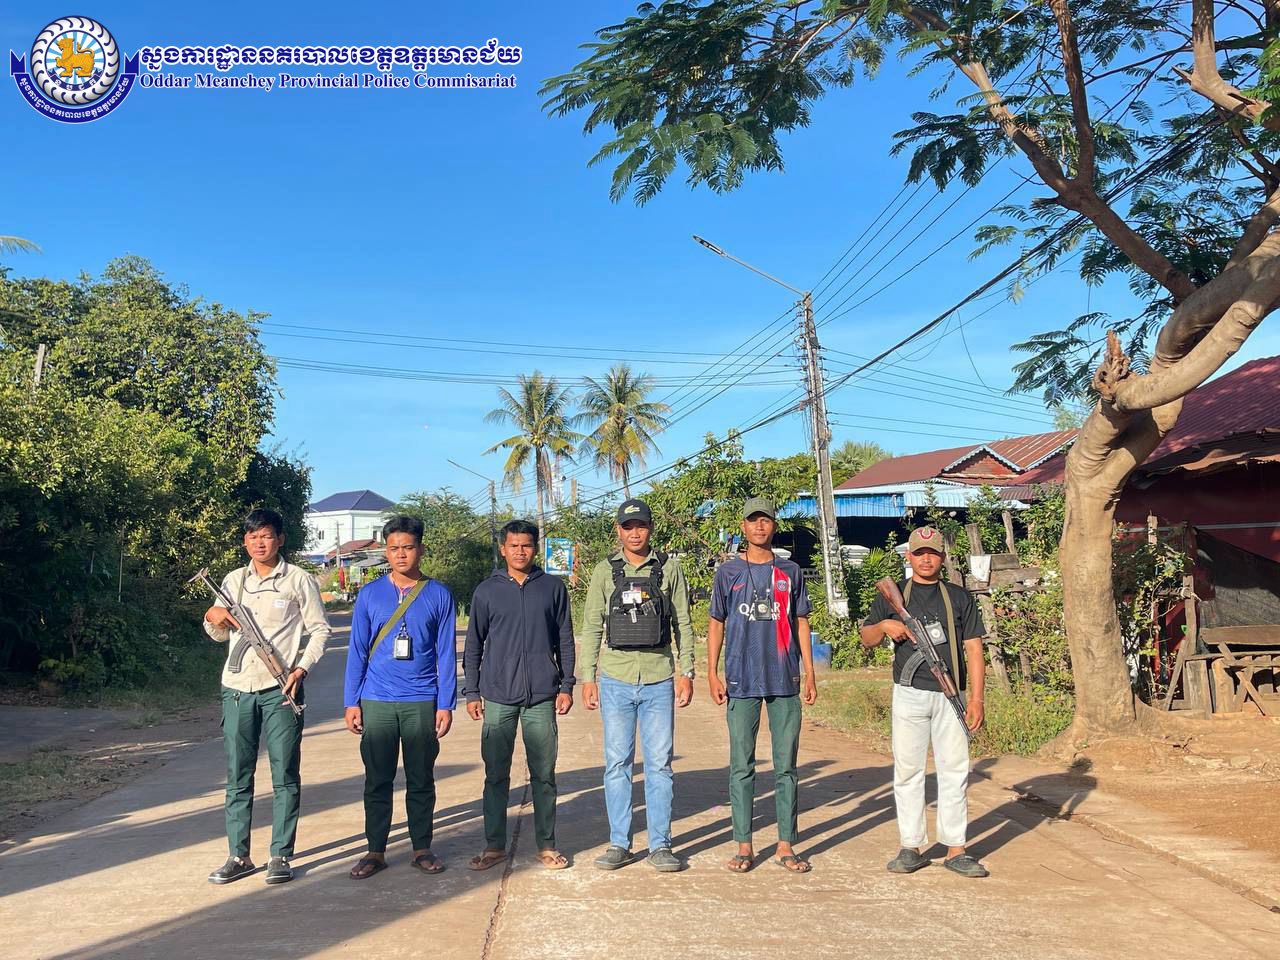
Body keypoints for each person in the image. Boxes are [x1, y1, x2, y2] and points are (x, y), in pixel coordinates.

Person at [202, 508, 331, 885]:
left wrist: (300, 669)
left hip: (281, 689)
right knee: (237, 775)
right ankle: (238, 855)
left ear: (280, 539)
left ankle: (280, 854)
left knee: (284, 773)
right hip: (237, 689)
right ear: (245, 542)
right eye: (253, 536)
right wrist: (211, 618)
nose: (260, 543)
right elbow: (221, 634)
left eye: (267, 535)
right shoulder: (233, 580)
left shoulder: (298, 580)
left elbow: (320, 630)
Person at [859, 525, 989, 878]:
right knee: (908, 771)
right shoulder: (894, 595)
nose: (926, 559)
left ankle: (956, 848)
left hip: (951, 695)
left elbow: (974, 649)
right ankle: (910, 846)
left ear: (942, 557)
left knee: (955, 771)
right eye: (919, 553)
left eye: (932, 553)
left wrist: (976, 698)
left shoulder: (958, 597)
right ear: (909, 556)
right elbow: (866, 637)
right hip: (909, 693)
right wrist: (885, 626)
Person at [579, 498, 695, 872]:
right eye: (628, 527)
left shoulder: (669, 569)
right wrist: (588, 677)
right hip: (616, 678)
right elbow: (592, 626)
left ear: (650, 528)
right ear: (618, 530)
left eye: (641, 525)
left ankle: (660, 845)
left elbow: (683, 622)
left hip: (659, 678)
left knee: (660, 765)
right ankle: (619, 843)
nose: (635, 533)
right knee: (617, 764)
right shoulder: (604, 571)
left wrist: (687, 672)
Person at [707, 497, 818, 874]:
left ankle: (786, 844)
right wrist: (712, 672)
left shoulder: (790, 571)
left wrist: (809, 672)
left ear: (774, 525)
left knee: (786, 766)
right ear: (743, 526)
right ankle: (744, 845)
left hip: (784, 678)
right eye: (753, 521)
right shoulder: (728, 572)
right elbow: (717, 622)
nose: (759, 526)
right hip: (741, 679)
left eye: (765, 520)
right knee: (742, 765)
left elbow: (800, 621)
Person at [343, 515, 458, 880]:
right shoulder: (370, 595)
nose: (401, 555)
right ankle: (375, 851)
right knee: (377, 779)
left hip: (421, 700)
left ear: (421, 549)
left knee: (421, 778)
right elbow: (357, 650)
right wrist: (351, 701)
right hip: (376, 700)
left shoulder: (438, 595)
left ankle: (422, 848)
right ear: (385, 551)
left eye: (408, 547)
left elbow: (446, 654)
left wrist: (446, 703)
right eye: (394, 549)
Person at [463, 519, 576, 871]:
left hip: (542, 696)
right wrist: (472, 691)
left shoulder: (552, 588)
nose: (520, 551)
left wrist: (567, 685)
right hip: (498, 696)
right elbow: (473, 645)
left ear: (535, 548)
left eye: (526, 545)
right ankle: (494, 845)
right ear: (503, 549)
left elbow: (565, 639)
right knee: (496, 775)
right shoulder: (487, 591)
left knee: (544, 774)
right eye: (513, 545)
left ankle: (546, 845)